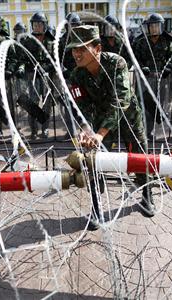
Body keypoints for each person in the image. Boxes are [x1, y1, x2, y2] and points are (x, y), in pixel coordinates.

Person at [67, 25, 154, 230]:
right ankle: (97, 208)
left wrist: (100, 133)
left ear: (97, 48)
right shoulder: (76, 75)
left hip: (128, 118)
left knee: (139, 157)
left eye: (82, 48)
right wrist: (86, 128)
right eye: (73, 49)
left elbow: (121, 101)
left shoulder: (117, 63)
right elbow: (81, 105)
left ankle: (147, 196)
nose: (76, 54)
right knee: (93, 161)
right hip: (100, 121)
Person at [133, 13, 172, 134]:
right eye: (152, 26)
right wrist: (142, 67)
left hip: (161, 80)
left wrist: (168, 68)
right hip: (144, 80)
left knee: (155, 107)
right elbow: (135, 58)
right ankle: (140, 131)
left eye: (156, 26)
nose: (154, 29)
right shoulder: (141, 41)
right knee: (143, 107)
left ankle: (149, 132)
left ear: (161, 26)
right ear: (148, 27)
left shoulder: (167, 42)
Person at [20, 12, 55, 139]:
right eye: (35, 25)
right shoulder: (27, 41)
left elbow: (55, 60)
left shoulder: (51, 41)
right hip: (33, 76)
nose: (37, 27)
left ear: (44, 25)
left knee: (47, 105)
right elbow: (23, 59)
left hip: (46, 76)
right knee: (33, 104)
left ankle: (45, 129)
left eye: (40, 25)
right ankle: (34, 130)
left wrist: (48, 67)